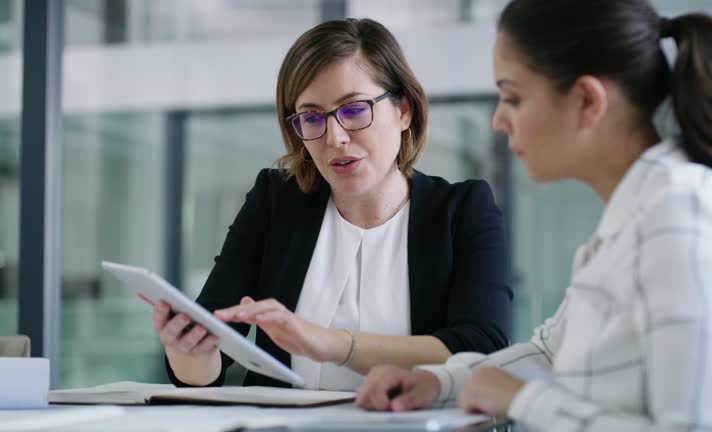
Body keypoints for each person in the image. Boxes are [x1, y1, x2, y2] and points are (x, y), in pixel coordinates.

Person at [356, 0, 712, 430]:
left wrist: (525, 400)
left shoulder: (682, 218)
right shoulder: (636, 215)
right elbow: (552, 352)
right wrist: (436, 382)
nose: (499, 121)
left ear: (588, 100)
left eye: (513, 97)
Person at [150, 18, 512, 391]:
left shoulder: (463, 210)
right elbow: (207, 364)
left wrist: (332, 344)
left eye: (354, 110)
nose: (334, 137)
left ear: (404, 110)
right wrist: (188, 350)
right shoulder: (275, 203)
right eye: (311, 117)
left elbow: (481, 351)